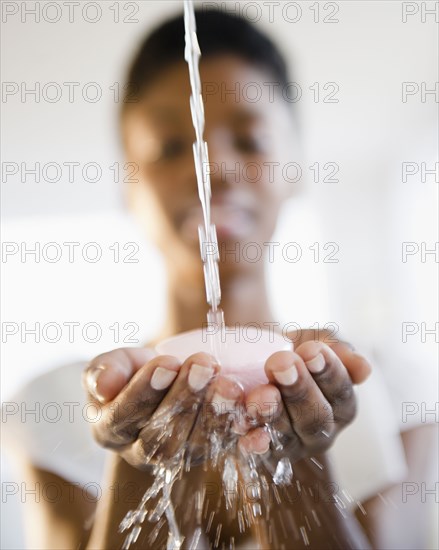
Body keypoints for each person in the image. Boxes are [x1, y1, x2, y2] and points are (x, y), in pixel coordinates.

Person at [3, 9, 436, 550]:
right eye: (167, 147)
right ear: (127, 185)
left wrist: (294, 467)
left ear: (294, 166)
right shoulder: (54, 405)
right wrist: (141, 468)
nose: (212, 166)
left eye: (251, 142)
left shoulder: (391, 389)